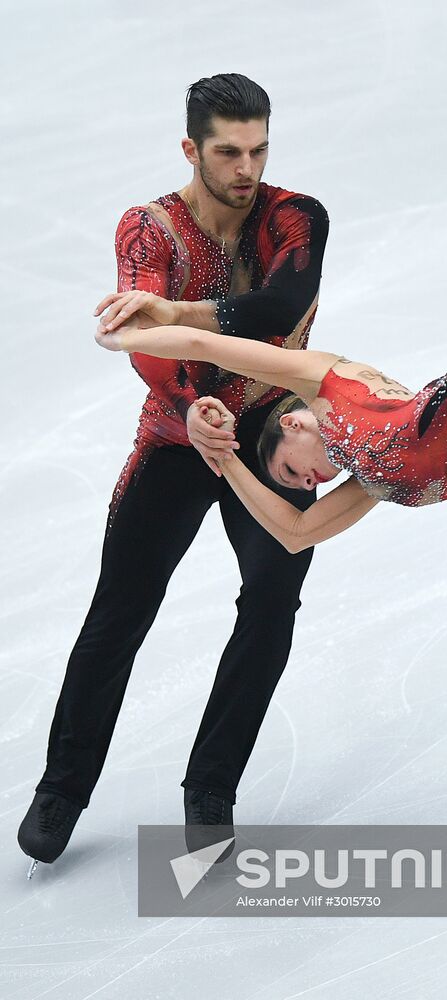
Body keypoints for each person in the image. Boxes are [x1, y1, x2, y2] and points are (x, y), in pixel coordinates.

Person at [92, 178, 447, 879]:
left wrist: (138, 327)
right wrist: (227, 462)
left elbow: (226, 345)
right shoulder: (366, 481)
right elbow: (293, 535)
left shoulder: (329, 381)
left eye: (292, 470)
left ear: (294, 424)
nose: (308, 485)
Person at [17, 72, 329, 878]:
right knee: (120, 610)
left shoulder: (296, 217)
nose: (246, 168)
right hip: (175, 431)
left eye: (258, 148)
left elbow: (279, 306)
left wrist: (182, 320)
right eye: (228, 151)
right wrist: (190, 402)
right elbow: (140, 337)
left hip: (274, 431)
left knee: (271, 599)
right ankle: (62, 786)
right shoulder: (148, 228)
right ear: (192, 148)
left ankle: (211, 787)